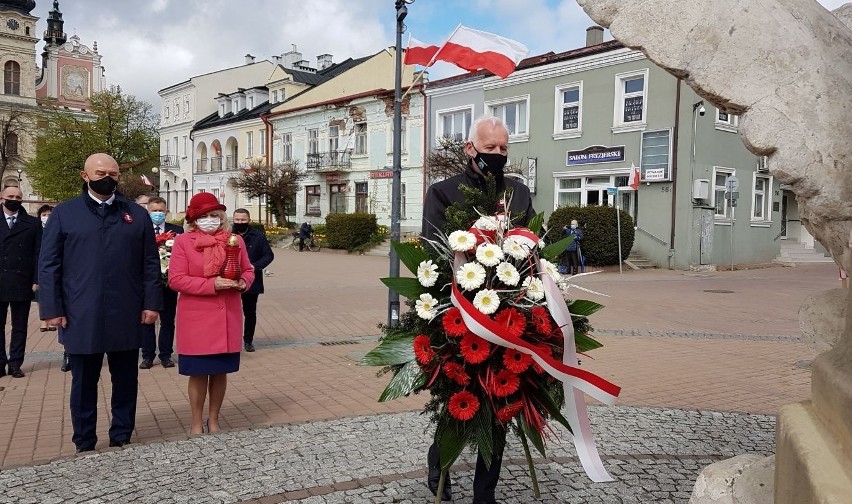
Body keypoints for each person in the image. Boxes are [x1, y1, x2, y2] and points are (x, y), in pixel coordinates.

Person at [421, 116, 534, 504]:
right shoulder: (443, 192)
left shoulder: (518, 193)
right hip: (459, 312)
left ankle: (484, 494)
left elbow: (530, 247)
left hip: (509, 315)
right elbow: (432, 251)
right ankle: (439, 465)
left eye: (504, 149)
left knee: (501, 402)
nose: (498, 155)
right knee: (459, 400)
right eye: (490, 149)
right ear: (470, 149)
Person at [38, 153, 162, 453]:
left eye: (113, 173)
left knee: (125, 379)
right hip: (81, 311)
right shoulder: (65, 213)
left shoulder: (136, 214)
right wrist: (52, 309)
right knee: (83, 383)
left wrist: (152, 303)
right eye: (100, 172)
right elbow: (49, 264)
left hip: (127, 309)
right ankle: (84, 440)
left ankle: (121, 434)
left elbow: (149, 263)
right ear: (85, 175)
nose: (107, 177)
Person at [168, 193, 254, 435]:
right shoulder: (184, 242)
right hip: (197, 318)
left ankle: (214, 419)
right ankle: (196, 422)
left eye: (214, 215)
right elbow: (176, 280)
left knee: (219, 372)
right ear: (194, 220)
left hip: (227, 316)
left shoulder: (234, 240)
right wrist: (212, 285)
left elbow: (248, 270)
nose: (209, 220)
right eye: (203, 216)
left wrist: (243, 284)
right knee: (197, 374)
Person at [0, 186, 42, 379]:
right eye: (10, 196)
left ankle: (16, 363)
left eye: (18, 197)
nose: (14, 199)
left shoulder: (32, 223)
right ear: (2, 198)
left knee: (20, 325)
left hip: (22, 280)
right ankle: (0, 362)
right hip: (1, 278)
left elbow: (38, 254)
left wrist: (36, 279)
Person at [139, 196, 184, 369]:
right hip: (147, 283)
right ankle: (147, 356)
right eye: (154, 211)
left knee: (167, 320)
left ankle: (165, 355)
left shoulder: (177, 230)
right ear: (148, 212)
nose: (157, 214)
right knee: (147, 319)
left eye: (160, 211)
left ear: (166, 212)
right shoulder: (142, 229)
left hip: (168, 283)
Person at [232, 209, 274, 352]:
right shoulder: (227, 235)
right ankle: (232, 340)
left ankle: (248, 340)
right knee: (231, 313)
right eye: (237, 220)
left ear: (248, 220)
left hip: (251, 280)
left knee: (250, 312)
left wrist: (254, 266)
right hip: (231, 280)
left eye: (243, 220)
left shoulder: (258, 236)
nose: (240, 223)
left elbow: (268, 255)